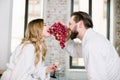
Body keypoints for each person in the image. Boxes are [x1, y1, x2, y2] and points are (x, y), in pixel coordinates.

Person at [64, 11, 120, 80]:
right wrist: (65, 39)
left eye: (70, 24)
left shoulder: (91, 45)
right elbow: (76, 51)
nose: (68, 27)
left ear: (80, 24)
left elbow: (97, 78)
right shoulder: (92, 39)